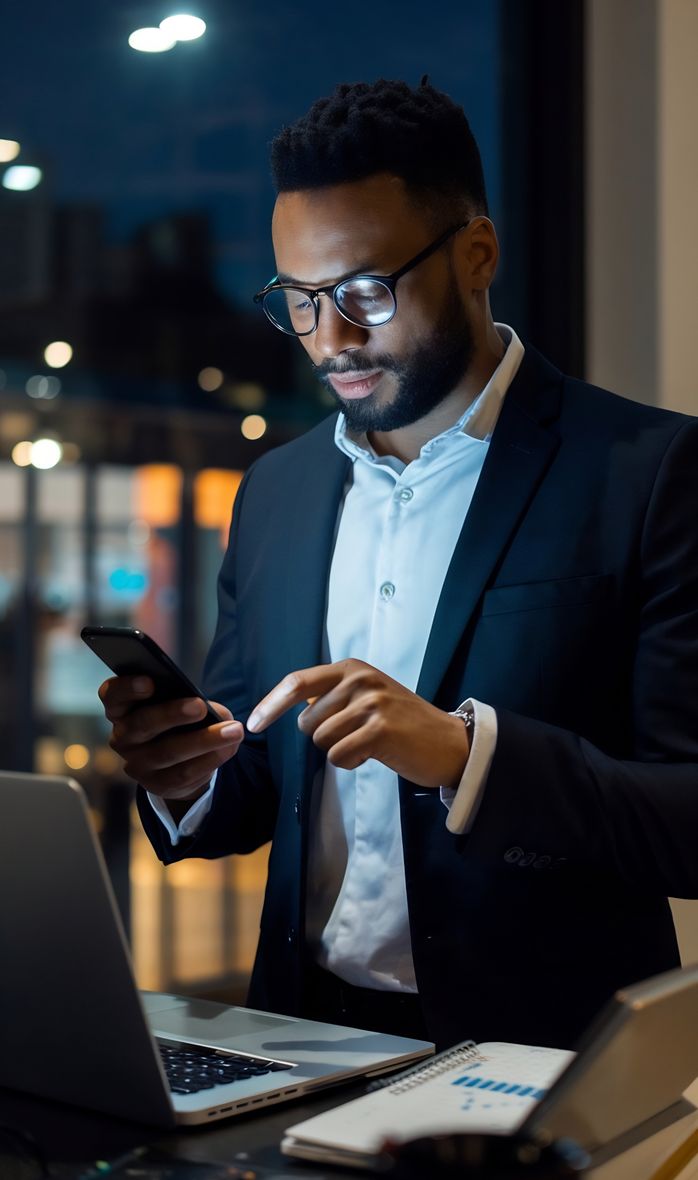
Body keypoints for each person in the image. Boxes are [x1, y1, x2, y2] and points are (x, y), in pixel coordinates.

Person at [101, 79, 698, 1051]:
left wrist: (464, 754)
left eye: (362, 293)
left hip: (533, 1059)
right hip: (295, 1036)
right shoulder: (275, 495)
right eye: (296, 301)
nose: (329, 339)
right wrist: (184, 774)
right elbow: (250, 787)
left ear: (475, 255)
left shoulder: (649, 473)